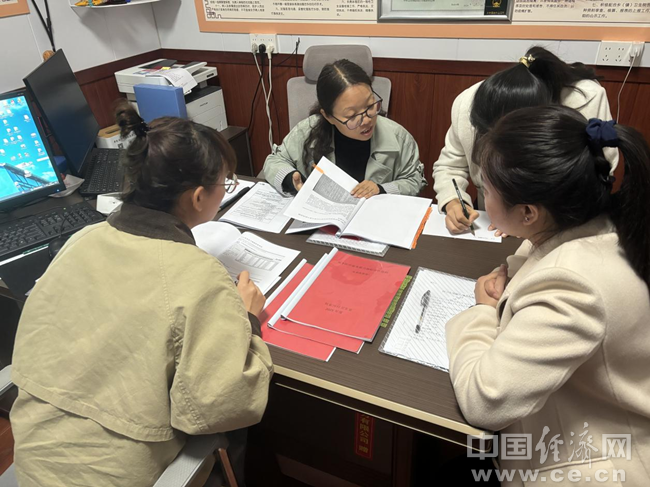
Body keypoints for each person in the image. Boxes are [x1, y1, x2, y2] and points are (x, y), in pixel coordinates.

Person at [10, 102, 273, 487]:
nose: (224, 191)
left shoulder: (82, 239)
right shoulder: (198, 274)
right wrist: (248, 320)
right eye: (225, 184)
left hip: (34, 466)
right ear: (198, 198)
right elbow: (222, 405)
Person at [446, 105, 650, 486]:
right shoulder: (597, 221)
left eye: (485, 190)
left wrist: (483, 311)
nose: (480, 197)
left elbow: (484, 400)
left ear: (528, 213)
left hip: (592, 463)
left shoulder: (573, 285)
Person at [433, 46, 618, 235]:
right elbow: (449, 166)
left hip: (561, 227)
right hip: (495, 224)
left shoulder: (583, 104)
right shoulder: (468, 106)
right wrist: (453, 201)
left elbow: (589, 182)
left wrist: (520, 221)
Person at [263, 59, 427, 198]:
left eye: (370, 106)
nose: (366, 120)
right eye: (351, 116)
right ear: (328, 116)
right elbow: (275, 161)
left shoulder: (399, 137)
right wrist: (290, 179)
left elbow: (414, 180)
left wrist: (381, 189)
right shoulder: (306, 131)